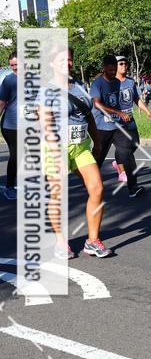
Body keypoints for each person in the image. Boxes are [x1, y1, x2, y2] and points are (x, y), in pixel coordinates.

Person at [39, 46, 111, 259]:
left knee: (97, 189)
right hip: (55, 148)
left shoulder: (80, 86)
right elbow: (46, 124)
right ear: (52, 64)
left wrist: (96, 142)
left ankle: (93, 241)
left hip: (80, 147)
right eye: (61, 60)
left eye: (69, 59)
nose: (66, 63)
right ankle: (61, 242)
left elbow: (88, 116)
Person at [90, 55, 146, 198]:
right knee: (98, 159)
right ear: (103, 68)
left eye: (113, 69)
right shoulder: (97, 84)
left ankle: (133, 188)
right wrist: (119, 112)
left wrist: (126, 114)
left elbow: (123, 100)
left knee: (127, 154)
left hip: (118, 126)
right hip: (102, 127)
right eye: (109, 70)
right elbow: (97, 104)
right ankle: (91, 187)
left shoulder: (117, 82)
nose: (112, 72)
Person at [0, 52, 18, 199]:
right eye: (12, 65)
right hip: (10, 125)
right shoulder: (9, 80)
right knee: (16, 155)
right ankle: (9, 187)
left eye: (16, 64)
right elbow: (1, 103)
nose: (14, 68)